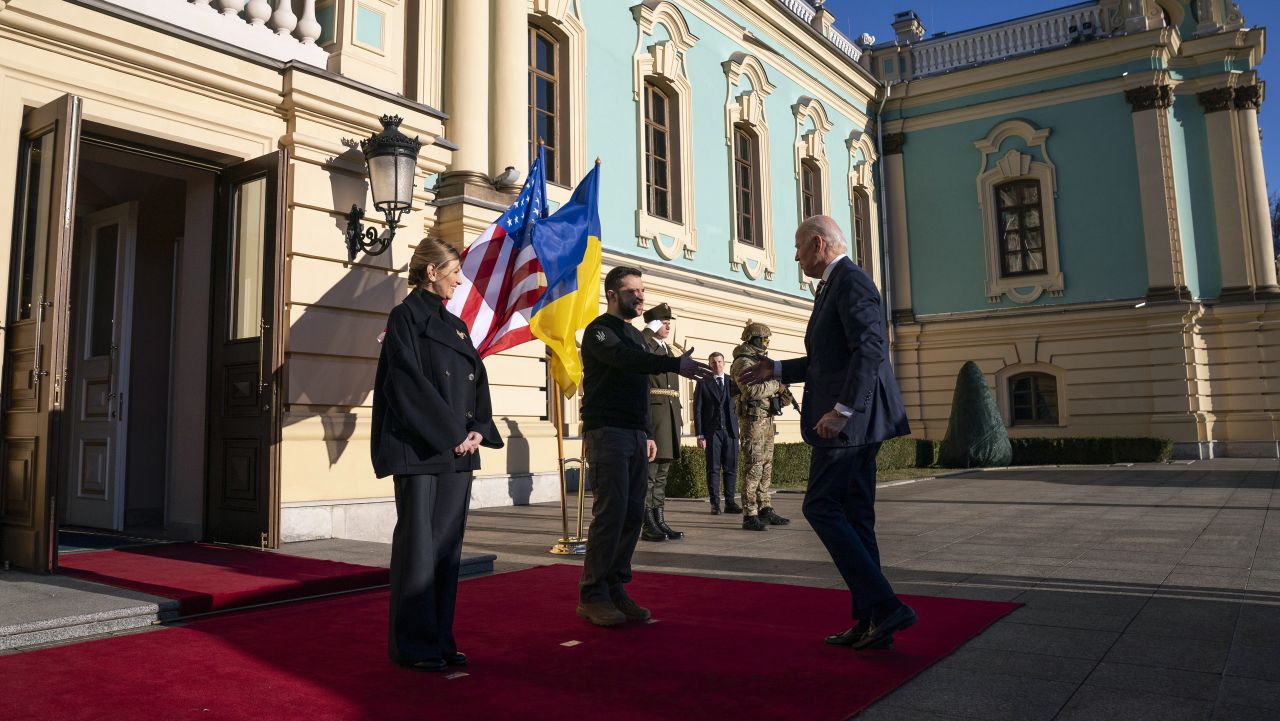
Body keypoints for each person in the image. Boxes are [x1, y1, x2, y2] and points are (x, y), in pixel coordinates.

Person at [740, 214, 914, 651]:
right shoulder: (835, 286)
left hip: (847, 424)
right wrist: (776, 369)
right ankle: (873, 621)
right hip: (852, 420)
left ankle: (886, 606)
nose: (795, 256)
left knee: (820, 507)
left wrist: (842, 409)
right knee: (856, 519)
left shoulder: (850, 281)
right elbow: (829, 360)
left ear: (818, 244)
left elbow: (870, 349)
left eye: (799, 248)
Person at [371, 238, 504, 671]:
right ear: (431, 271)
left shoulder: (457, 325)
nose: (459, 280)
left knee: (446, 551)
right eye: (453, 272)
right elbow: (405, 384)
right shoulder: (403, 317)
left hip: (459, 452)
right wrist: (451, 433)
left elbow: (476, 380)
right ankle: (413, 645)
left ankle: (440, 639)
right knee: (419, 551)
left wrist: (478, 430)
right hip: (420, 449)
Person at [577, 266, 713, 626]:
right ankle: (593, 595)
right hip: (606, 432)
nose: (640, 297)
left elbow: (639, 389)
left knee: (634, 514)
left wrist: (647, 433)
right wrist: (673, 363)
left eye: (642, 290)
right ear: (612, 294)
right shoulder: (600, 332)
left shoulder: (636, 336)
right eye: (632, 291)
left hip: (634, 434)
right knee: (611, 512)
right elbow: (625, 361)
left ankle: (616, 587)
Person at [730, 321, 793, 531]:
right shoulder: (742, 362)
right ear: (753, 339)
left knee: (767, 465)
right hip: (752, 420)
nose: (766, 343)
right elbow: (751, 391)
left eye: (768, 339)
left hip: (766, 418)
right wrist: (777, 384)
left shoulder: (762, 360)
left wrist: (782, 393)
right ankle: (750, 513)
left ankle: (765, 507)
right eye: (764, 339)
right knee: (754, 466)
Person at [641, 302, 684, 541]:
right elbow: (637, 346)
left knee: (662, 474)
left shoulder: (668, 350)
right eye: (664, 323)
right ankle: (647, 523)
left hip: (668, 417)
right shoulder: (645, 345)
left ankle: (659, 519)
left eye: (668, 323)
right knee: (650, 474)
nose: (667, 327)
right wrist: (648, 329)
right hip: (655, 418)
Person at [694, 352, 740, 515]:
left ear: (724, 363)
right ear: (709, 364)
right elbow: (697, 410)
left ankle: (730, 502)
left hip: (731, 432)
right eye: (713, 363)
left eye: (719, 362)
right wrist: (700, 435)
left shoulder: (732, 382)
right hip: (712, 433)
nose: (717, 365)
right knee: (712, 469)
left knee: (731, 468)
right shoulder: (703, 383)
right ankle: (715, 504)